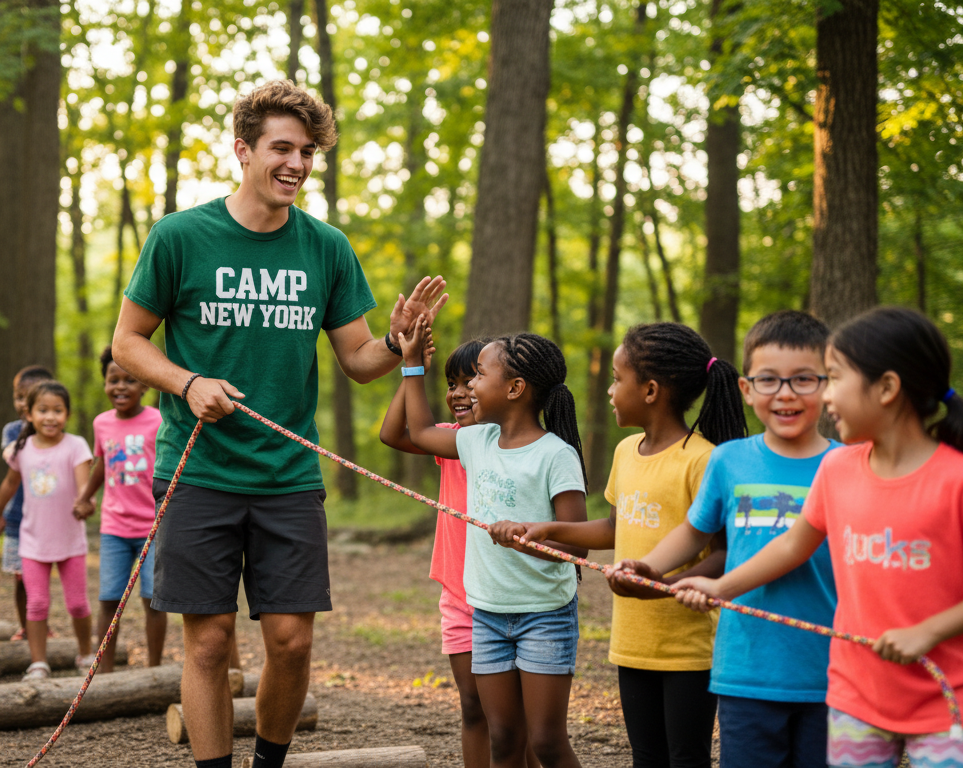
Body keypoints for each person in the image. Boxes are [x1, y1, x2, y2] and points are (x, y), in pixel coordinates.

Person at [111, 78, 447, 768]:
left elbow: (357, 358)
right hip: (197, 468)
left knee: (292, 641)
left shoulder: (325, 247)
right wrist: (189, 381)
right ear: (244, 150)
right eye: (282, 148)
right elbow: (128, 343)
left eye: (308, 152)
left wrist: (399, 343)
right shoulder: (181, 236)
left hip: (287, 474)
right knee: (207, 643)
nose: (296, 163)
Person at [673, 307, 963, 768]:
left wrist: (928, 632)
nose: (826, 397)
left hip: (943, 693)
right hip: (854, 692)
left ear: (886, 388)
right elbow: (792, 545)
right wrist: (719, 587)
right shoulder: (838, 468)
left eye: (835, 378)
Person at [503, 321, 747, 768]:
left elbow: (725, 553)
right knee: (646, 756)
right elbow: (614, 529)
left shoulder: (704, 460)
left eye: (618, 379)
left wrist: (666, 584)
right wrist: (548, 529)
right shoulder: (626, 450)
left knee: (685, 757)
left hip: (687, 648)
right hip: (632, 641)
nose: (611, 390)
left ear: (651, 390)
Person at [604, 311, 839, 768]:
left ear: (829, 385)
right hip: (743, 668)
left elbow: (800, 549)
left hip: (828, 670)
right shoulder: (729, 462)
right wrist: (650, 567)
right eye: (769, 380)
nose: (785, 393)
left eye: (803, 380)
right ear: (747, 389)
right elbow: (694, 531)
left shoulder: (847, 465)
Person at [395, 321, 586, 768]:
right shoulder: (477, 440)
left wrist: (528, 537)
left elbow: (578, 550)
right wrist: (410, 365)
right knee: (502, 737)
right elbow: (419, 431)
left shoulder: (556, 454)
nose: (470, 386)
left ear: (516, 387)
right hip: (487, 615)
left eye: (479, 374)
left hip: (544, 615)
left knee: (546, 743)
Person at [0, 381, 95, 680]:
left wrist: (85, 502)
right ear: (29, 414)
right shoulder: (22, 448)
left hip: (70, 539)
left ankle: (86, 654)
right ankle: (38, 662)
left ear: (67, 414)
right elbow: (9, 484)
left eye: (57, 411)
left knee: (77, 603)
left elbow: (84, 484)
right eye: (43, 410)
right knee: (36, 603)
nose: (50, 417)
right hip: (32, 541)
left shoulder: (76, 446)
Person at [74, 346, 167, 671]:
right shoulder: (102, 424)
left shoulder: (158, 420)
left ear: (145, 385)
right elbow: (101, 465)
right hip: (114, 528)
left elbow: (169, 468)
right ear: (104, 384)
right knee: (109, 599)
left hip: (153, 528)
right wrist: (85, 496)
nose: (120, 386)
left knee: (154, 600)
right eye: (113, 380)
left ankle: (154, 670)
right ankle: (106, 671)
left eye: (129, 380)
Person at [1, 364, 56, 642]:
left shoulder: (56, 432)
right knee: (21, 578)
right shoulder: (13, 431)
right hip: (17, 519)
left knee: (42, 579)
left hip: (48, 518)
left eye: (29, 397)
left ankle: (42, 627)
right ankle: (25, 627)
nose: (22, 404)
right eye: (18, 397)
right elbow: (12, 457)